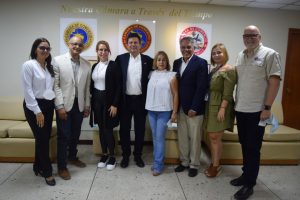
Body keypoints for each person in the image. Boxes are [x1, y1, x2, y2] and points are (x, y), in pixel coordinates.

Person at [230, 25, 281, 200]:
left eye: (253, 35)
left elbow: (274, 82)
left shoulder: (269, 54)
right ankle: (246, 175)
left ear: (259, 36)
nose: (249, 38)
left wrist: (267, 108)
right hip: (241, 109)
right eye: (246, 35)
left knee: (253, 148)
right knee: (245, 145)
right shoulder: (240, 55)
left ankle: (249, 184)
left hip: (257, 112)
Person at [53, 36, 91, 180]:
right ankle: (62, 167)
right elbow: (55, 85)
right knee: (63, 136)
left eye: (80, 45)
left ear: (83, 47)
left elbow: (87, 88)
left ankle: (72, 157)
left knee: (75, 134)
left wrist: (87, 106)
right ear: (69, 45)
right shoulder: (57, 60)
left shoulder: (87, 64)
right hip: (64, 105)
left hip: (79, 105)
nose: (77, 47)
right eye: (74, 44)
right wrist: (59, 106)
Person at [115, 32, 153, 168]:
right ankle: (126, 156)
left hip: (141, 101)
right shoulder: (120, 59)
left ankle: (138, 155)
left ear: (140, 44)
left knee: (140, 130)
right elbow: (118, 82)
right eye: (130, 42)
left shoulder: (148, 60)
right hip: (125, 101)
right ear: (127, 45)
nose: (133, 45)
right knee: (124, 129)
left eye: (135, 42)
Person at [21, 38, 56, 186]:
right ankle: (47, 172)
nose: (45, 51)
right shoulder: (29, 65)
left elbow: (50, 89)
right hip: (34, 106)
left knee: (43, 138)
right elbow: (27, 90)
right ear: (35, 49)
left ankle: (37, 166)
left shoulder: (48, 67)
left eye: (48, 48)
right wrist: (37, 111)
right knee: (42, 139)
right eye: (42, 48)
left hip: (48, 105)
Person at [173, 36, 209, 177]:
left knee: (194, 137)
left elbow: (202, 87)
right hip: (180, 106)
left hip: (195, 109)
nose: (186, 49)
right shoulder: (176, 63)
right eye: (183, 47)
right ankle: (184, 162)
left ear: (194, 48)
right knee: (182, 136)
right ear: (180, 48)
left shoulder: (201, 63)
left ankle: (194, 164)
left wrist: (194, 107)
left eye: (189, 47)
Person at [204, 43, 237, 178]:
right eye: (214, 53)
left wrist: (222, 108)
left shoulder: (229, 70)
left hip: (220, 106)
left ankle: (216, 166)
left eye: (219, 52)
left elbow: (228, 93)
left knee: (215, 137)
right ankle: (215, 163)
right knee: (213, 137)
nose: (216, 55)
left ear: (225, 54)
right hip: (210, 104)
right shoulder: (214, 70)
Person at [145, 51, 178, 176]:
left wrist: (174, 112)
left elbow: (175, 95)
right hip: (151, 110)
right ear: (155, 62)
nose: (161, 62)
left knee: (159, 138)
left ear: (167, 62)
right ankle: (157, 161)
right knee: (155, 137)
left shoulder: (172, 75)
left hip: (164, 111)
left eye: (164, 60)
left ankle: (158, 165)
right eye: (159, 60)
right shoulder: (151, 74)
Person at [90, 40, 121, 171]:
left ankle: (112, 157)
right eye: (100, 50)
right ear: (97, 52)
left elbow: (119, 86)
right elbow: (92, 85)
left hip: (109, 102)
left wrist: (115, 104)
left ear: (109, 51)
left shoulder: (114, 65)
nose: (103, 52)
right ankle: (104, 154)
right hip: (97, 102)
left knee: (108, 129)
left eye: (105, 50)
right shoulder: (94, 66)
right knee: (101, 129)